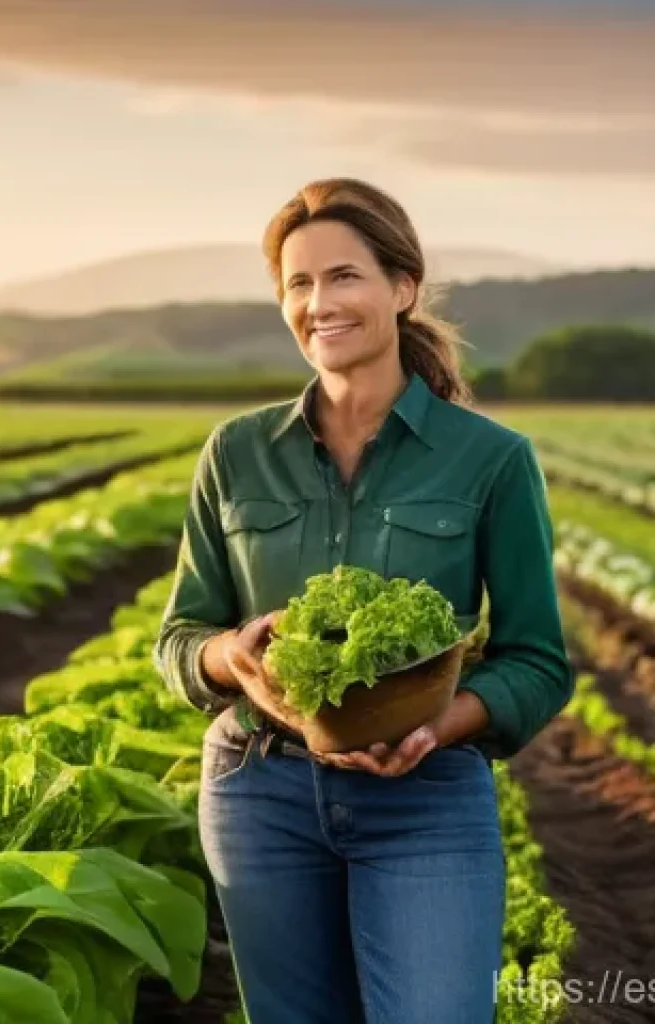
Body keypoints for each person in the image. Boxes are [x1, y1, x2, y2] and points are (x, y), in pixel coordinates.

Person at [152, 177, 574, 1024]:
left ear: (402, 287)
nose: (319, 304)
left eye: (343, 277)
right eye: (297, 285)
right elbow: (179, 639)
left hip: (427, 798)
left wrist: (434, 726)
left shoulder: (489, 459)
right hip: (258, 791)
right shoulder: (236, 452)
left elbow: (537, 660)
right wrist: (229, 656)